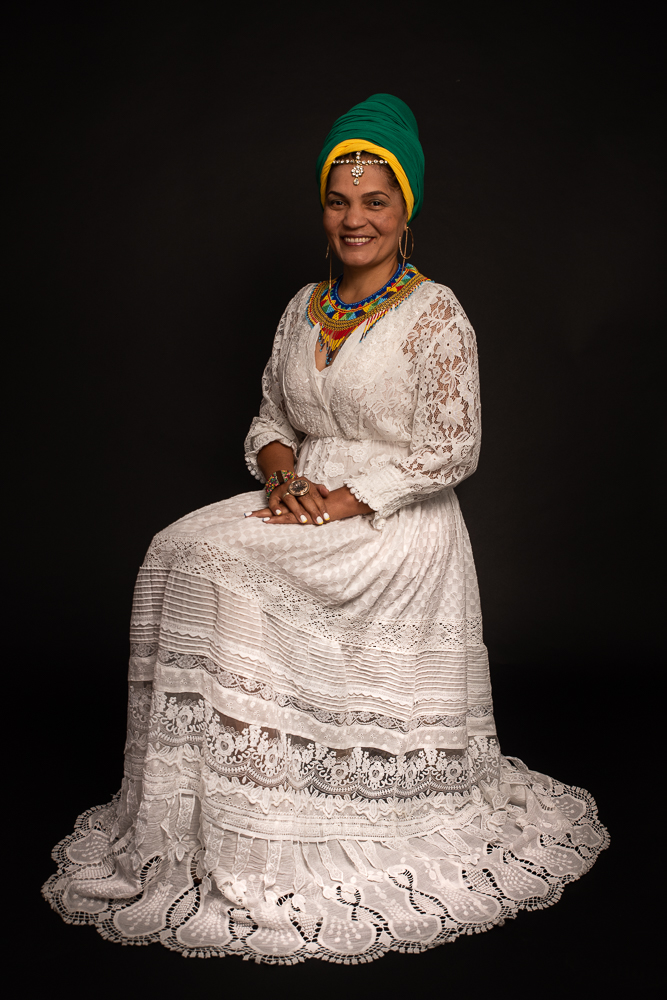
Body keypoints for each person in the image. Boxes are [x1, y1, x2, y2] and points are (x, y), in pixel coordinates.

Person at [43, 94, 608, 963]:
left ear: (405, 211)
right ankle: (206, 816)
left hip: (393, 523)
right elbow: (271, 419)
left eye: (374, 201)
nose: (355, 219)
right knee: (175, 551)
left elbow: (452, 448)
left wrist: (343, 498)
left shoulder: (436, 312)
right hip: (303, 499)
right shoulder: (303, 306)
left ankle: (271, 819)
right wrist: (283, 476)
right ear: (322, 210)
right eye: (338, 201)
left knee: (214, 563)